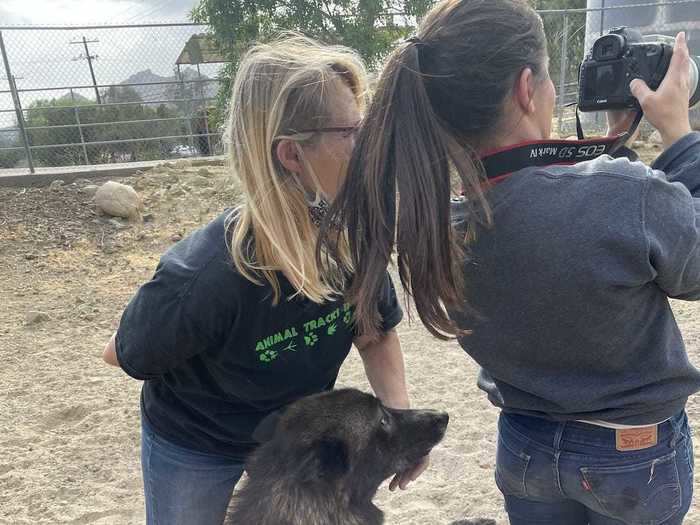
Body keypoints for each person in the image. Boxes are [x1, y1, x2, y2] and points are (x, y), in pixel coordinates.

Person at [321, 1, 700, 523]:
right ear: (526, 88)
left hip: (526, 449)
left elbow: (554, 207)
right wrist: (680, 137)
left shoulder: (440, 225)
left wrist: (616, 145)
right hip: (631, 454)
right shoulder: (624, 196)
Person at [102, 35, 427, 525]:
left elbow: (373, 332)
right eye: (351, 132)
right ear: (292, 155)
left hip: (291, 437)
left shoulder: (351, 239)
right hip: (196, 443)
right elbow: (122, 352)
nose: (368, 148)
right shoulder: (207, 275)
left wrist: (400, 424)